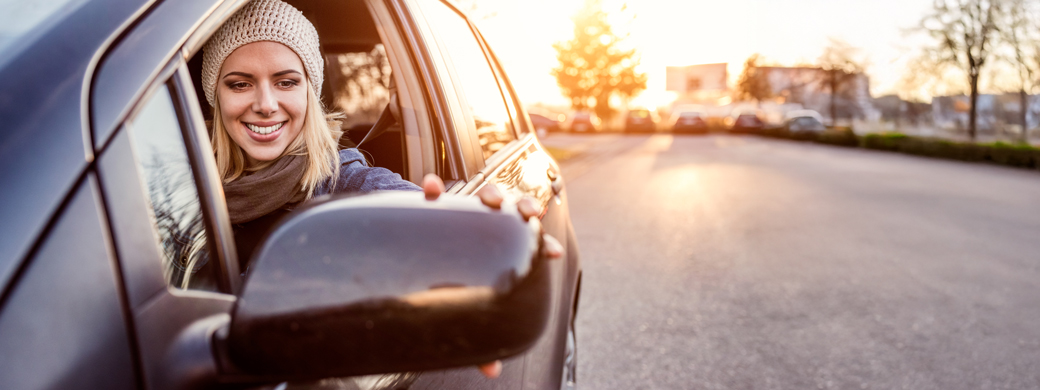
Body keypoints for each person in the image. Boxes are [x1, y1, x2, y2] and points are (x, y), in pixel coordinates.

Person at [200, 0, 560, 380]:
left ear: (310, 90)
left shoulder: (355, 188)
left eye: (286, 82)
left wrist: (484, 245)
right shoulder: (172, 190)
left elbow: (427, 244)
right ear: (215, 96)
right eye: (240, 84)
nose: (265, 104)